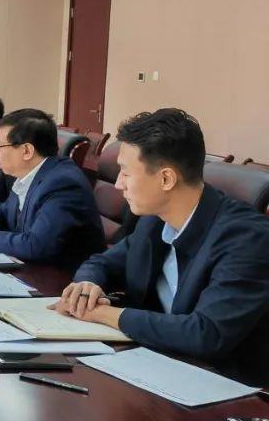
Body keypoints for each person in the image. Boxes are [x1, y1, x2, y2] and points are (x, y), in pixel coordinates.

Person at [55, 109, 269, 377]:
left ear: (166, 179)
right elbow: (103, 262)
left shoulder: (248, 238)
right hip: (158, 361)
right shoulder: (154, 220)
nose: (118, 184)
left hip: (225, 384)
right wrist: (88, 284)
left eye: (126, 173)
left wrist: (101, 314)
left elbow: (206, 334)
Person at [0, 108, 104, 272]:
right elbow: (7, 210)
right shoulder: (32, 173)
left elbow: (37, 246)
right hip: (33, 269)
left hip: (61, 279)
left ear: (27, 151)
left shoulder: (63, 184)